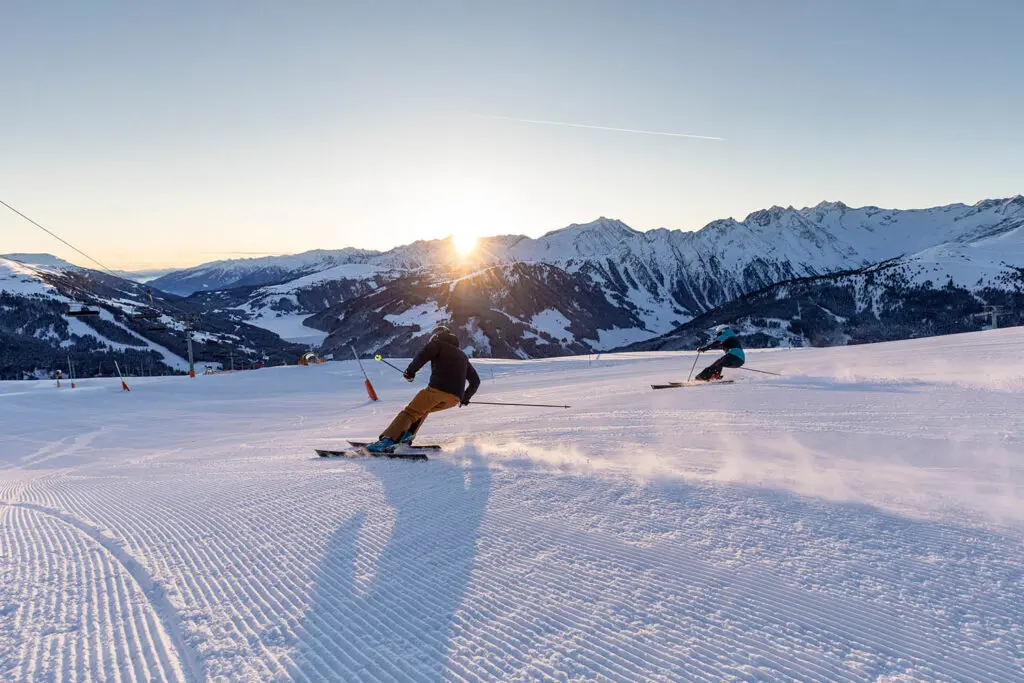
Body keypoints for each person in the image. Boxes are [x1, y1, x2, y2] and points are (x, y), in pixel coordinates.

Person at [366, 326, 481, 453]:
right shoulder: (463, 356)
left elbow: (422, 356)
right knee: (422, 411)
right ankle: (405, 437)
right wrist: (465, 397)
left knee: (410, 412)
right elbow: (475, 381)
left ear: (436, 336)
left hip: (437, 391)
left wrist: (410, 372)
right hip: (454, 399)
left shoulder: (437, 344)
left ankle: (387, 441)